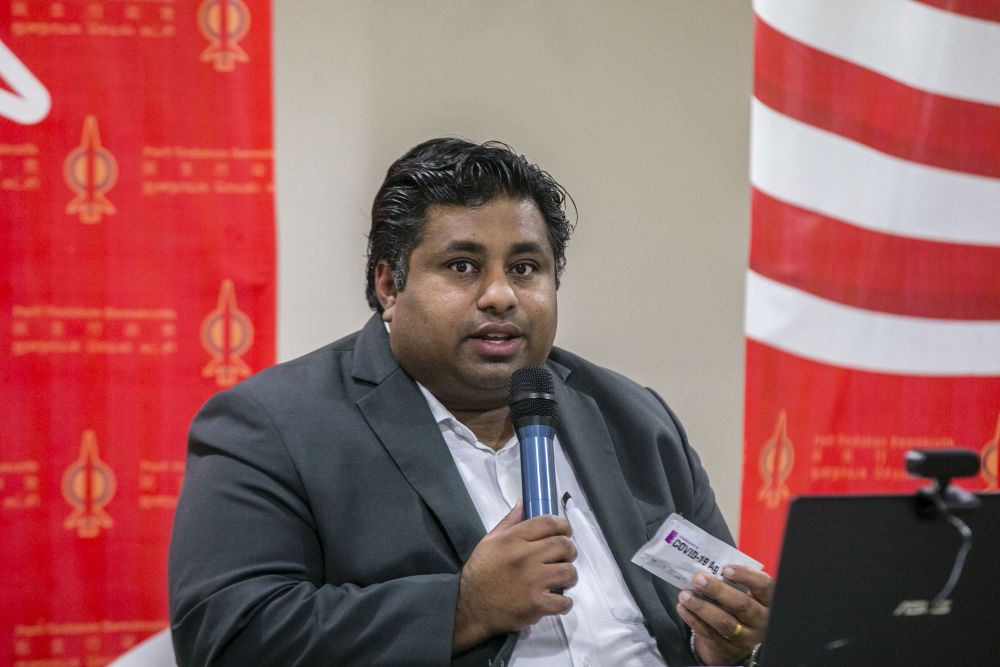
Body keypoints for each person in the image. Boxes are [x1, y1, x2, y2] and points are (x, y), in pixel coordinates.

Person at [168, 138, 772, 666]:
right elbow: (228, 637)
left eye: (526, 267)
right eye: (462, 266)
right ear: (388, 285)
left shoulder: (634, 419)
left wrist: (723, 646)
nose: (501, 296)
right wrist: (464, 608)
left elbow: (715, 600)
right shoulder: (270, 426)